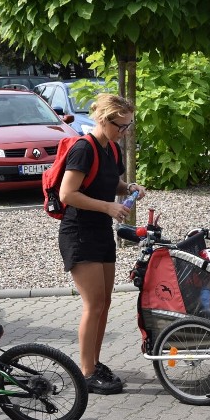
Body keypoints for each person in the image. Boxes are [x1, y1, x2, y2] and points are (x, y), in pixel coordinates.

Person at [58, 93, 146, 395]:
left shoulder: (112, 149)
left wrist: (129, 188)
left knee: (105, 303)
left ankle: (94, 363)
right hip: (79, 232)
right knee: (93, 304)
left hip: (100, 230)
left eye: (128, 125)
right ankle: (85, 373)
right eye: (121, 126)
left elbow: (112, 184)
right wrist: (109, 207)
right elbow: (67, 194)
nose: (125, 131)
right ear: (104, 120)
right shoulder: (84, 149)